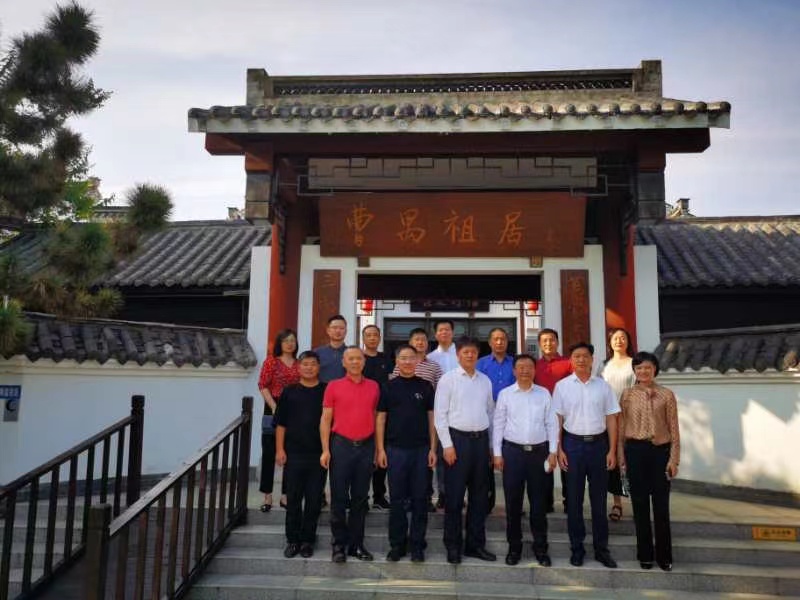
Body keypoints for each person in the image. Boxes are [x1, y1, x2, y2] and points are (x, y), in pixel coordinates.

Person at [553, 342, 620, 569]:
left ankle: (601, 549)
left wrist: (612, 450)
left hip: (599, 446)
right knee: (574, 500)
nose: (581, 360)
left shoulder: (603, 386)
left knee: (599, 501)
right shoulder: (562, 387)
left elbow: (611, 418)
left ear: (592, 360)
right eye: (576, 356)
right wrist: (559, 449)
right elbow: (557, 419)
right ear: (571, 360)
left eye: (585, 356)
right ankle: (577, 549)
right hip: (572, 445)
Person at [435, 336, 496, 564]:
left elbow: (490, 413)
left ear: (478, 355)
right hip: (457, 442)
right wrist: (447, 446)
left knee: (479, 498)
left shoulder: (485, 381)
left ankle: (475, 545)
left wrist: (491, 447)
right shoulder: (448, 380)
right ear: (458, 355)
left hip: (480, 442)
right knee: (454, 498)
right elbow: (440, 416)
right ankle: (453, 546)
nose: (470, 355)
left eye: (473, 352)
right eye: (465, 352)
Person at [492, 354, 558, 567]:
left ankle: (541, 549)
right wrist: (497, 453)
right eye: (520, 367)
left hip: (539, 454)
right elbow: (498, 424)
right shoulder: (505, 394)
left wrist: (553, 451)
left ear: (534, 370)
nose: (525, 370)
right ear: (514, 371)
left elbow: (551, 423)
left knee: (539, 505)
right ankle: (514, 548)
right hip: (513, 454)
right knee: (513, 504)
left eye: (529, 367)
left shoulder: (544, 393)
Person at [618, 351, 680, 572]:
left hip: (660, 452)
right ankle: (645, 555)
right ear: (634, 371)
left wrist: (674, 459)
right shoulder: (627, 395)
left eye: (648, 367)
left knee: (661, 506)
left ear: (655, 369)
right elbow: (621, 428)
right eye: (639, 368)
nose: (643, 371)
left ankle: (664, 556)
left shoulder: (667, 395)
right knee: (640, 505)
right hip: (635, 452)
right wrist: (621, 457)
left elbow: (674, 428)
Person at [375, 344, 436, 562]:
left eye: (411, 358)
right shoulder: (388, 387)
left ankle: (417, 545)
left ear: (417, 361)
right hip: (395, 450)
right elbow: (381, 419)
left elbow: (432, 419)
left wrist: (433, 449)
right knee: (397, 499)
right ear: (397, 361)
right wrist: (380, 449)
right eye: (403, 358)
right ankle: (397, 545)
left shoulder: (426, 386)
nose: (408, 362)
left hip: (421, 450)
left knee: (420, 499)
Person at [320, 346, 380, 563]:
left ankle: (356, 545)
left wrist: (377, 449)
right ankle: (338, 545)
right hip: (341, 445)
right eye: (351, 359)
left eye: (359, 359)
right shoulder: (333, 386)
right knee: (338, 497)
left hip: (366, 446)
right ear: (343, 363)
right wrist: (325, 450)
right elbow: (326, 419)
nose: (355, 362)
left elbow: (376, 417)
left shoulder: (374, 386)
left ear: (364, 362)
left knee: (360, 498)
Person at [274, 351, 326, 558]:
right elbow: (281, 424)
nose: (309, 367)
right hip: (294, 454)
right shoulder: (289, 392)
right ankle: (293, 540)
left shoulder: (326, 390)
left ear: (319, 367)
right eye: (305, 364)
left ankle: (307, 541)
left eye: (313, 364)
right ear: (298, 367)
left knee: (314, 500)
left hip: (318, 455)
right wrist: (280, 449)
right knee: (293, 499)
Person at [391, 327, 443, 512]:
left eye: (423, 340)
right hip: (402, 424)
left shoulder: (434, 366)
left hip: (425, 418)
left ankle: (426, 499)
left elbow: (440, 390)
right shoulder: (400, 365)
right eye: (416, 339)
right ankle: (405, 500)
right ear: (410, 342)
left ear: (428, 344)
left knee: (424, 469)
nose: (420, 342)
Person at [257, 329, 299, 512]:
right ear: (279, 343)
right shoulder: (271, 361)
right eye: (286, 340)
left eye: (292, 340)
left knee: (291, 452)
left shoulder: (299, 363)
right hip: (273, 407)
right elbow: (263, 385)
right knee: (269, 452)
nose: (290, 344)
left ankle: (285, 495)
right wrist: (274, 406)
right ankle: (267, 496)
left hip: (294, 409)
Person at [533, 328, 573, 513]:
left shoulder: (568, 363)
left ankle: (569, 502)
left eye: (552, 340)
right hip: (542, 419)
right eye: (544, 341)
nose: (548, 343)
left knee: (566, 461)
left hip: (566, 418)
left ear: (557, 342)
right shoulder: (535, 365)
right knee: (545, 461)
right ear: (540, 344)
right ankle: (546, 502)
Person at [477, 327, 515, 513]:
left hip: (512, 415)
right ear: (490, 342)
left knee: (510, 460)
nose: (499, 342)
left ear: (507, 342)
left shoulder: (515, 363)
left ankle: (513, 504)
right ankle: (487, 502)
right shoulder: (481, 363)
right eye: (496, 339)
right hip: (486, 414)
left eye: (503, 339)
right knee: (486, 460)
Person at [600, 328, 636, 523]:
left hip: (630, 417)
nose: (619, 341)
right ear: (610, 342)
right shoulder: (603, 366)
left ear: (628, 341)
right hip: (608, 419)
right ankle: (617, 503)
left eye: (623, 337)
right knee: (612, 460)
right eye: (615, 338)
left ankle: (638, 501)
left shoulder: (634, 363)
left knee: (632, 460)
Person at [362, 324, 394, 510]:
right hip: (363, 411)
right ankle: (361, 495)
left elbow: (390, 381)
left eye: (375, 335)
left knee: (381, 452)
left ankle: (379, 496)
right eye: (369, 335)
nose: (372, 338)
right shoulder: (359, 358)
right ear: (363, 338)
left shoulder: (386, 359)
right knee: (365, 455)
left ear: (380, 338)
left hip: (383, 412)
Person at [428, 320, 457, 508]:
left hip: (460, 412)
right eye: (440, 330)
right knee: (440, 454)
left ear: (453, 332)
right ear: (435, 334)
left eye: (447, 329)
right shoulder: (430, 358)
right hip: (438, 412)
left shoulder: (461, 354)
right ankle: (443, 493)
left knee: (458, 455)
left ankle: (457, 494)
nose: (444, 332)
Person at [314, 315, 348, 383]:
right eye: (334, 328)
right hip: (323, 389)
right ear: (328, 330)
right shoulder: (317, 352)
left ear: (346, 331)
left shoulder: (352, 353)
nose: (338, 331)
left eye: (341, 328)